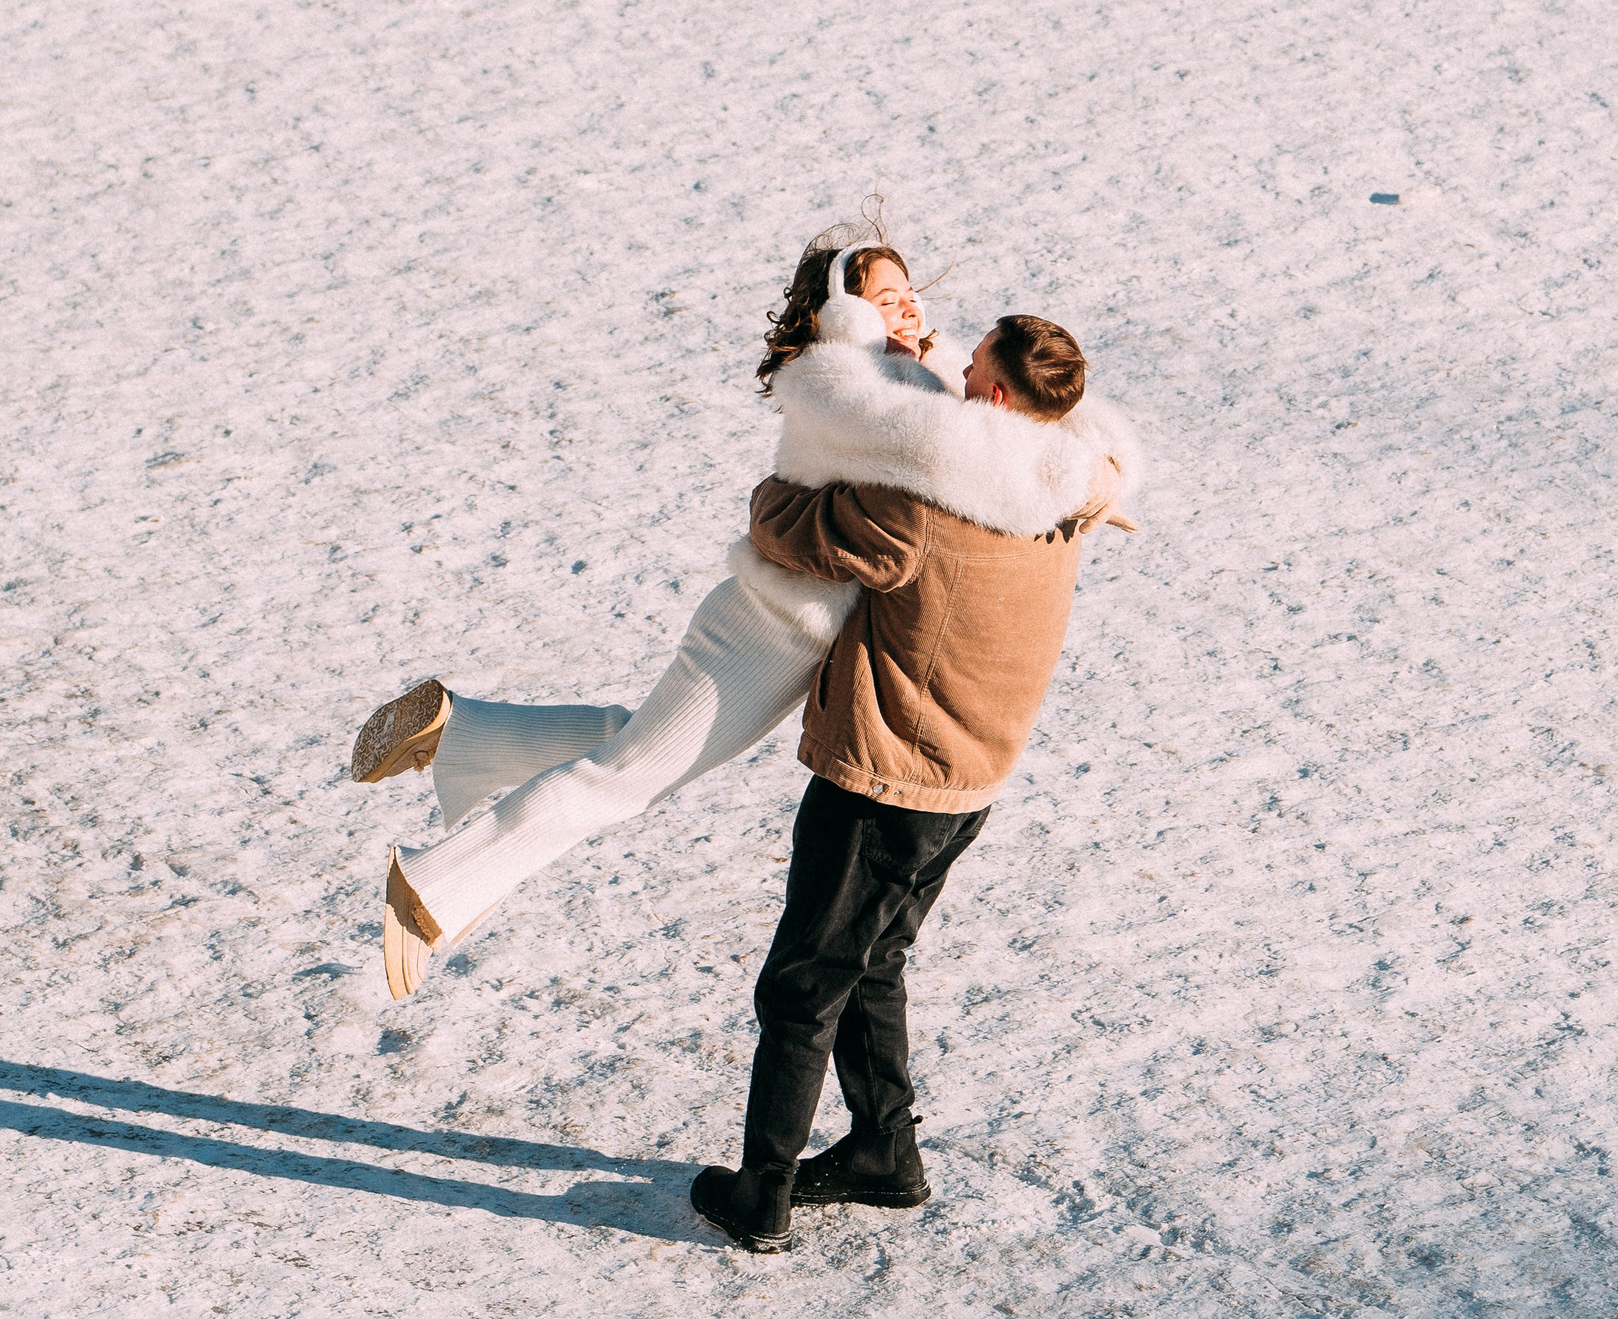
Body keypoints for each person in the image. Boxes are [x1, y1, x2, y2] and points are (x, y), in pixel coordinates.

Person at [350, 226, 1143, 1001]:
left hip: (798, 633)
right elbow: (989, 458)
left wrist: (942, 363)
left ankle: (464, 734)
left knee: (640, 746)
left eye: (910, 297)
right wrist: (1086, 476)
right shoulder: (857, 390)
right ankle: (433, 889)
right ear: (843, 314)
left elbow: (1003, 419)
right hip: (768, 629)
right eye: (883, 300)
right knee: (624, 779)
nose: (907, 313)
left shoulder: (908, 385)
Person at [687, 313, 1127, 1253]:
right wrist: (916, 371)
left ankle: (760, 1195)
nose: (956, 377)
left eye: (970, 371)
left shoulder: (925, 508)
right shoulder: (1072, 486)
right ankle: (885, 1151)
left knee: (803, 988)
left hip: (888, 780)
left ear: (1000, 397)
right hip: (971, 783)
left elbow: (791, 527)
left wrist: (800, 463)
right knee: (872, 961)